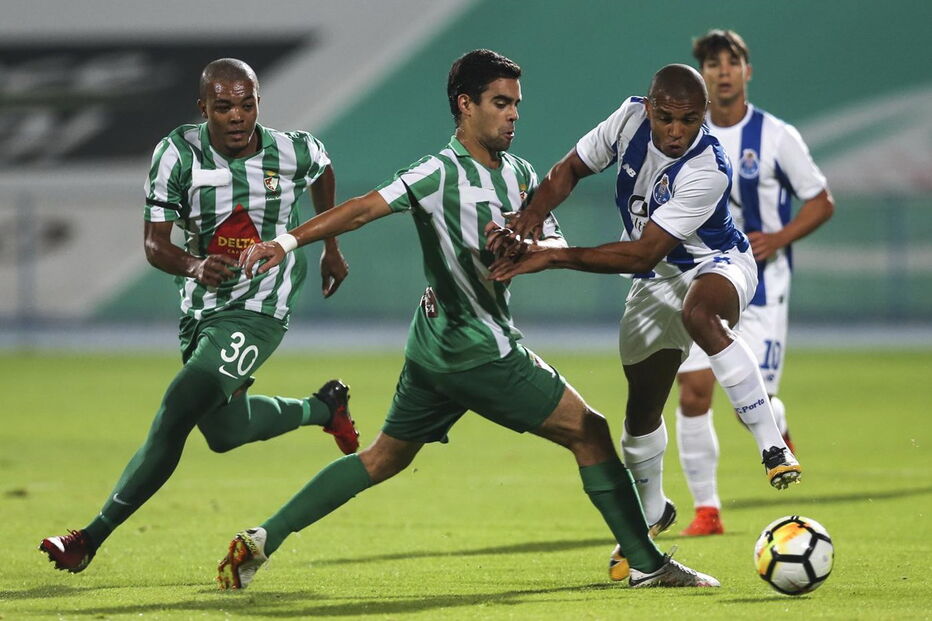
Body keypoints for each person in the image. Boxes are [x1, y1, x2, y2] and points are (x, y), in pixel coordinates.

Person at [216, 49, 719, 591]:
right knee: (591, 432)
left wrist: (524, 242)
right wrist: (287, 241)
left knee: (383, 457)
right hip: (477, 346)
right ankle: (648, 565)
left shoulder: (522, 176)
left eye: (516, 105)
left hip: (432, 344)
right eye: (501, 104)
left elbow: (552, 242)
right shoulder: (437, 173)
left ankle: (262, 538)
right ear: (466, 105)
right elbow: (362, 207)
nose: (513, 115)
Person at [39, 58, 360, 574]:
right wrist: (193, 264)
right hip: (200, 307)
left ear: (259, 101)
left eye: (247, 103)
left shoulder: (292, 149)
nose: (237, 116)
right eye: (224, 106)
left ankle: (89, 538)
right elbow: (153, 244)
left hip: (260, 307)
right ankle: (325, 409)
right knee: (225, 432)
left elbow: (322, 170)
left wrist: (330, 247)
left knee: (178, 407)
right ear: (203, 108)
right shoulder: (177, 154)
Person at [487, 63, 802, 582]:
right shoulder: (629, 119)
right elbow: (568, 170)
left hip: (715, 264)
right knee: (640, 410)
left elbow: (640, 253)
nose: (676, 131)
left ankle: (771, 443)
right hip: (655, 281)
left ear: (703, 118)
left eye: (689, 120)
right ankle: (654, 509)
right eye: (666, 117)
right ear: (651, 107)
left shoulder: (708, 169)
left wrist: (551, 255)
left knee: (700, 312)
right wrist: (528, 216)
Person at [673, 30, 834, 537]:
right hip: (701, 282)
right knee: (694, 391)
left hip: (762, 288)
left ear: (747, 71)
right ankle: (707, 509)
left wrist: (780, 237)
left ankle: (774, 423)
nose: (723, 71)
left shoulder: (776, 136)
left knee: (753, 404)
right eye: (713, 63)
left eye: (732, 62)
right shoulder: (686, 136)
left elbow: (821, 200)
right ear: (702, 74)